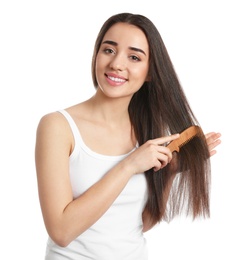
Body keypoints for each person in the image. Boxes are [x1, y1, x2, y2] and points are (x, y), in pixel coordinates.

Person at [35, 12, 221, 260]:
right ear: (96, 54)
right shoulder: (57, 127)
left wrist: (169, 172)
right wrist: (129, 166)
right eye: (109, 50)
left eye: (134, 57)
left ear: (150, 72)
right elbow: (61, 231)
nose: (117, 64)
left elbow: (139, 224)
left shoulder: (147, 132)